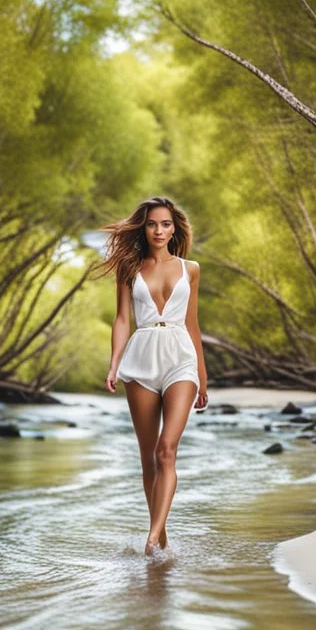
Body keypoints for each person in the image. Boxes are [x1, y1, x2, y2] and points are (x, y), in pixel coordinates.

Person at [100, 196, 208, 555]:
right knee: (148, 455)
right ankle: (161, 536)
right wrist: (114, 363)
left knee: (166, 451)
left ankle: (151, 539)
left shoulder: (190, 268)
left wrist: (202, 379)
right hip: (141, 360)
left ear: (174, 227)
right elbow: (121, 320)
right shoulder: (129, 268)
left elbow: (193, 325)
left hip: (180, 359)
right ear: (143, 228)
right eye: (151, 224)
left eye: (165, 224)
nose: (158, 230)